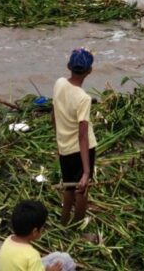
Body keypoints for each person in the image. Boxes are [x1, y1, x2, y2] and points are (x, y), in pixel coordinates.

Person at [53, 48, 97, 226]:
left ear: (69, 66)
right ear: (89, 71)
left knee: (69, 185)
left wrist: (58, 138)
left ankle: (64, 221)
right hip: (81, 151)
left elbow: (53, 112)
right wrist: (86, 172)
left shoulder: (59, 83)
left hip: (64, 147)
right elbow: (83, 135)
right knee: (81, 189)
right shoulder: (83, 98)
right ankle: (77, 226)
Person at [0, 200, 69, 271]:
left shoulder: (8, 240)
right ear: (35, 231)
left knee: (61, 257)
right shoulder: (32, 256)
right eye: (43, 227)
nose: (43, 230)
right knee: (66, 261)